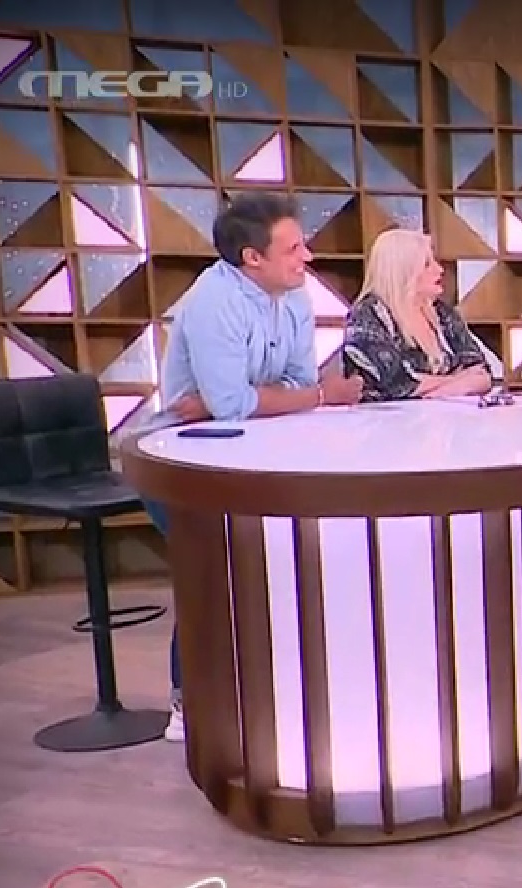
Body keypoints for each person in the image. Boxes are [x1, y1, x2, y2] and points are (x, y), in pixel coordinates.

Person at [143, 191, 364, 742]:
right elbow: (238, 404)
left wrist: (256, 398)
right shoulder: (213, 302)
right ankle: (188, 704)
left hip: (255, 452)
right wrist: (315, 396)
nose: (306, 257)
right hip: (182, 460)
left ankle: (274, 701)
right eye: (293, 249)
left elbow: (286, 385)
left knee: (284, 569)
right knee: (213, 570)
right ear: (252, 258)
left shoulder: (294, 298)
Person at [341, 228, 497, 400]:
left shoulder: (442, 313)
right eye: (427, 264)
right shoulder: (367, 316)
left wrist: (437, 392)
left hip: (444, 412)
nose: (440, 270)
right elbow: (397, 384)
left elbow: (482, 373)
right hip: (387, 416)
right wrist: (458, 380)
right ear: (402, 272)